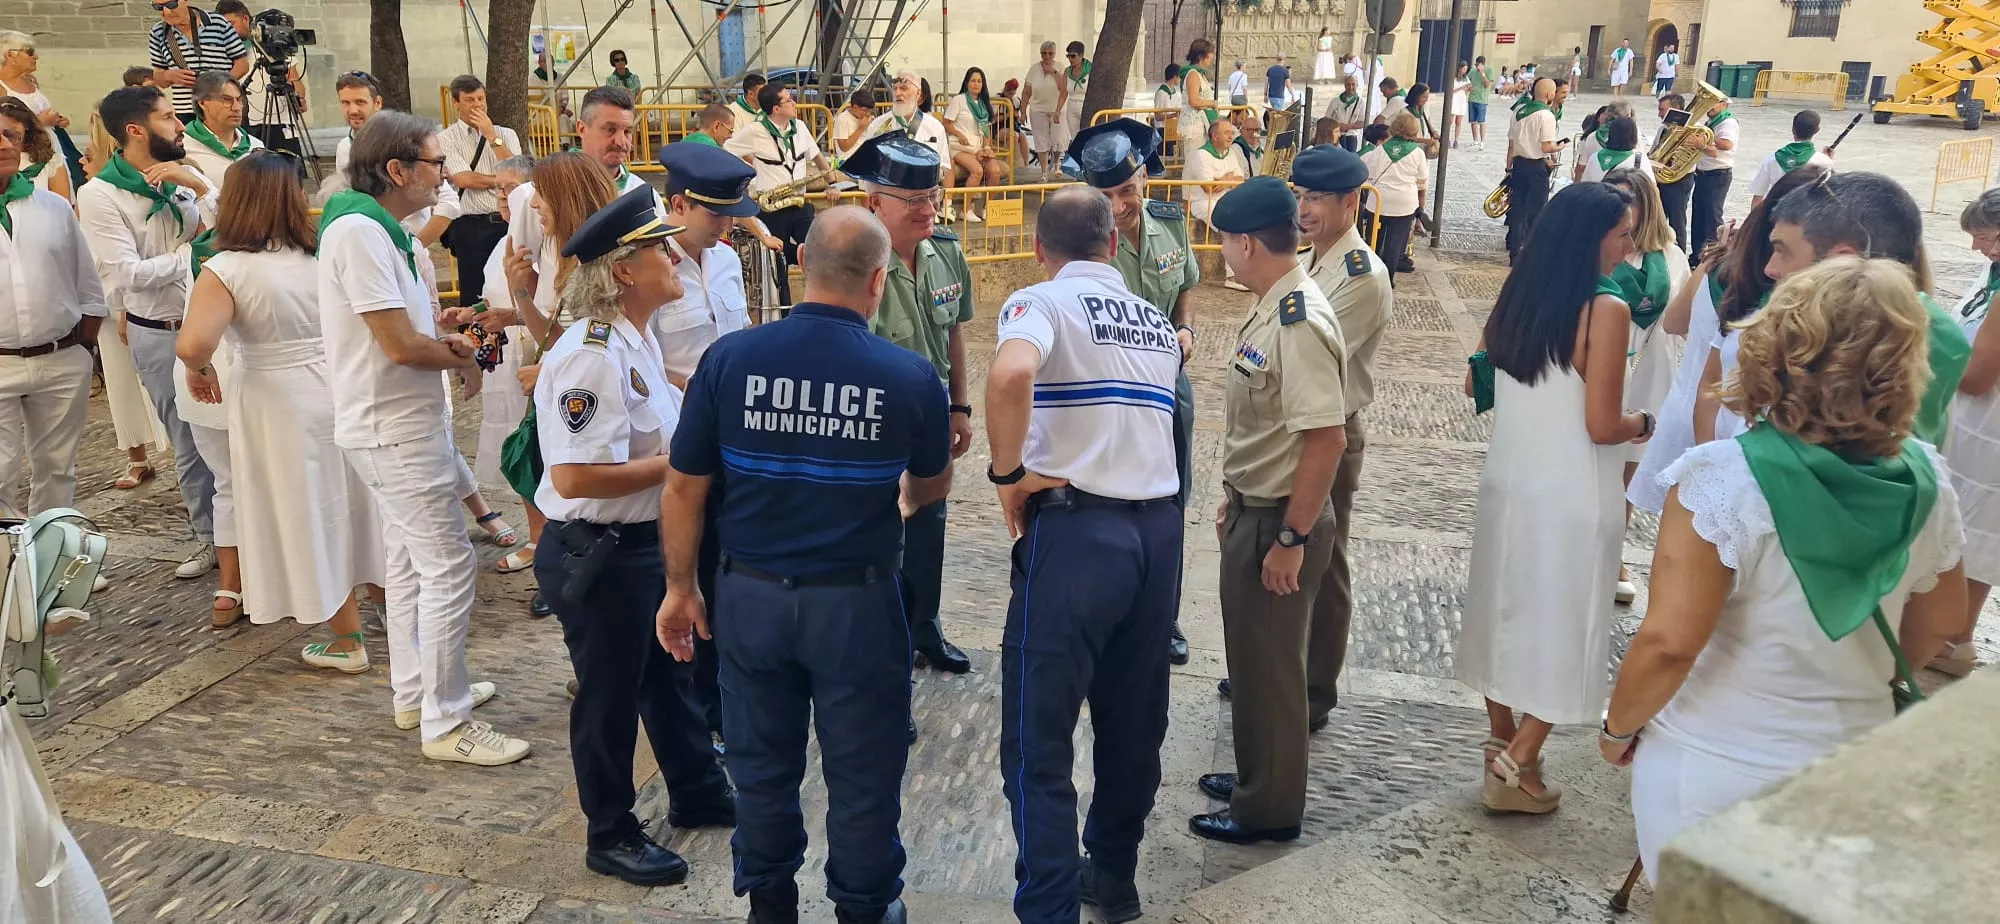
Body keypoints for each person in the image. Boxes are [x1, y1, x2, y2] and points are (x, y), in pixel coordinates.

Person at [1603, 256, 1966, 883]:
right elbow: (1943, 620)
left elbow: (1669, 643)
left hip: (1718, 757)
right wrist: (1851, 670)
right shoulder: (1925, 477)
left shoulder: (1723, 478)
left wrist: (1617, 729)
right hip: (1850, 753)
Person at [657, 205, 949, 924]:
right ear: (878, 281)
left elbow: (684, 486)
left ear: (800, 265)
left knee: (759, 765)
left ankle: (769, 901)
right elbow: (932, 483)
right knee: (864, 769)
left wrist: (679, 587)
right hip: (856, 605)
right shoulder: (909, 375)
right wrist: (901, 498)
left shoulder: (729, 360)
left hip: (750, 599)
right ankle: (863, 903)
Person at [523, 186, 736, 885]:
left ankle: (697, 790)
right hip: (599, 551)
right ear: (622, 271)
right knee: (610, 697)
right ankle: (609, 832)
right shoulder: (591, 354)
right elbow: (575, 475)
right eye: (658, 249)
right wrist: (684, 465)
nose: (674, 257)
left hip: (641, 542)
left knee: (668, 677)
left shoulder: (632, 336)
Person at [985, 185, 1183, 924]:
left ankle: (1048, 905)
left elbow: (1010, 374)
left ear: (1040, 248)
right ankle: (1115, 874)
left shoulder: (1040, 302)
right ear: (1113, 242)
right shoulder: (1154, 319)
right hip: (1157, 534)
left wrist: (1007, 473)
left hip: (1078, 534)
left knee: (1038, 732)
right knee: (1133, 721)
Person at [318, 110, 527, 764]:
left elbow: (411, 329)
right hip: (393, 429)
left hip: (402, 421)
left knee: (410, 564)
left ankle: (417, 693)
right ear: (397, 169)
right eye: (436, 163)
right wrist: (467, 352)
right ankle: (447, 721)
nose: (445, 174)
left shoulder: (388, 232)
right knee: (447, 564)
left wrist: (450, 331)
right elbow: (401, 348)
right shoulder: (358, 232)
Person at [1458, 182, 1651, 815]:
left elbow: (1475, 381)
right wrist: (1646, 421)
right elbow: (1603, 424)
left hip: (1509, 479)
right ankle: (1517, 764)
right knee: (1568, 619)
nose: (1629, 246)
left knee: (1502, 609)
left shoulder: (1519, 292)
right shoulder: (1606, 308)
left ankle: (1503, 739)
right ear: (1589, 240)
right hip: (1572, 488)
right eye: (1622, 234)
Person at [173, 149, 383, 664]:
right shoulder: (321, 255)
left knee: (307, 508)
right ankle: (393, 612)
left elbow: (194, 343)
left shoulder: (227, 268)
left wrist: (199, 369)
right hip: (336, 385)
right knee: (358, 501)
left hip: (275, 397)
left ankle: (348, 638)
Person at [1191, 176, 1349, 845]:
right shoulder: (1272, 305)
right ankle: (1257, 776)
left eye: (1226, 241)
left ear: (1248, 244)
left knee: (1275, 670)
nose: (1224, 252)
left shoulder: (1297, 321)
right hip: (1257, 510)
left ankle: (1270, 809)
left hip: (1282, 519)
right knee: (1254, 663)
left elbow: (1326, 439)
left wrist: (1291, 537)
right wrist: (1238, 501)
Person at [1696, 171, 1969, 449]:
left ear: (1841, 260)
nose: (1770, 268)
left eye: (1782, 251)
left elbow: (1865, 458)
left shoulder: (1906, 337)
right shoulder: (1836, 315)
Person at [1062, 119, 1198, 664]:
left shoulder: (1169, 221)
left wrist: (1186, 328)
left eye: (1126, 190)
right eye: (1107, 196)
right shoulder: (1083, 239)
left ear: (1144, 177)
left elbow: (1186, 283)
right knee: (1108, 500)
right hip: (1109, 391)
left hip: (1167, 385)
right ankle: (1107, 612)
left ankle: (1163, 617)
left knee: (1170, 501)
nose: (1119, 206)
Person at [843, 132, 975, 679]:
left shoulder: (945, 252)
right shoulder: (855, 263)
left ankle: (925, 626)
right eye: (914, 200)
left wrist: (960, 407)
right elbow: (849, 353)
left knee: (929, 528)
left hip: (931, 417)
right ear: (875, 202)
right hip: (878, 422)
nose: (929, 210)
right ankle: (882, 647)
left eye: (934, 196)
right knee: (879, 536)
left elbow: (955, 334)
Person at [76, 85, 220, 581]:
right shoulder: (99, 194)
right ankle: (209, 537)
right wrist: (194, 254)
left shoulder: (183, 175)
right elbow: (128, 275)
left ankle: (247, 530)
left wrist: (199, 188)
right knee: (188, 439)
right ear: (136, 130)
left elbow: (232, 229)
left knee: (233, 431)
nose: (180, 125)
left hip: (214, 325)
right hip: (159, 332)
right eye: (168, 117)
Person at [1629, 165, 1825, 525]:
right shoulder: (1792, 297)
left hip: (1690, 412)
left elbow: (1674, 323)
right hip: (1734, 434)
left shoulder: (1719, 265)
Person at [1283, 145, 1392, 730]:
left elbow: (1306, 353)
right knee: (1288, 553)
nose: (1304, 209)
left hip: (1330, 431)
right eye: (1300, 196)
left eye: (1317, 199)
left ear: (1350, 201)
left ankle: (1312, 691)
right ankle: (1279, 670)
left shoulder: (1360, 276)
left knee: (1324, 563)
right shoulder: (1311, 260)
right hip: (1296, 426)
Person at [0, 98, 105, 522]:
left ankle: (54, 551)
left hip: (60, 357)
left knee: (57, 470)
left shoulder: (53, 207)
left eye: (10, 135)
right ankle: (7, 559)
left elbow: (87, 284)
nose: (4, 144)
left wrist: (83, 349)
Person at [1601, 167, 1689, 602]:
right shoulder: (1598, 248)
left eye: (1630, 200)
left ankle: (1612, 554)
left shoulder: (1671, 257)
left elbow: (1682, 320)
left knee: (1628, 476)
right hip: (1603, 368)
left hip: (1651, 370)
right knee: (1596, 464)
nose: (1623, 208)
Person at [75, 108, 170, 490]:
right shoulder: (95, 192)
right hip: (107, 292)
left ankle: (173, 451)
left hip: (136, 297)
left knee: (157, 382)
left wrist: (126, 306)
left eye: (89, 152)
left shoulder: (130, 180)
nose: (82, 161)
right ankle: (136, 454)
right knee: (120, 380)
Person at [1940, 188, 2000, 677]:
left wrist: (1926, 357)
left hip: (1988, 426)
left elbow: (1978, 376)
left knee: (1974, 533)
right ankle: (1948, 634)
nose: (1977, 247)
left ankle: (1954, 638)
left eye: (1984, 236)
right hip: (1969, 421)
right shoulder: (1992, 273)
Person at [729, 82, 828, 308]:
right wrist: (748, 172)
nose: (794, 103)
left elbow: (816, 155)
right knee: (778, 264)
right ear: (776, 108)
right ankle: (783, 312)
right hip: (772, 209)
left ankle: (819, 305)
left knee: (816, 253)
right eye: (789, 100)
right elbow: (728, 149)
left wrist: (832, 183)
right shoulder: (755, 131)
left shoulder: (799, 127)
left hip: (799, 204)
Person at [440, 74, 520, 309]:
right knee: (474, 293)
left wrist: (492, 136)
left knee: (510, 289)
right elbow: (463, 178)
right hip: (471, 225)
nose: (477, 105)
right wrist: (502, 182)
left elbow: (517, 172)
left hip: (507, 221)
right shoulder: (446, 138)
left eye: (480, 99)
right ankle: (473, 332)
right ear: (456, 103)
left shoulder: (506, 134)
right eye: (469, 100)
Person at [215, 0, 306, 163]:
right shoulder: (225, 48)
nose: (228, 30)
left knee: (290, 170)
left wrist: (298, 98)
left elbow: (293, 78)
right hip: (247, 123)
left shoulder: (272, 41)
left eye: (231, 24)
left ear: (245, 19)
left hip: (280, 120)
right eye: (223, 26)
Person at [0, 31, 77, 198]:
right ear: (10, 55)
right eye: (29, 52)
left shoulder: (30, 81)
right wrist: (41, 121)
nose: (36, 57)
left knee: (61, 197)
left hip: (48, 146)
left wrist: (57, 120)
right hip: (22, 151)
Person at [147, 0, 248, 123]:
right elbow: (159, 78)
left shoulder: (218, 22)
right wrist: (169, 75)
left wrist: (220, 88)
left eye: (171, 4)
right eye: (159, 7)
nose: (166, 11)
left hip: (224, 106)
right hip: (185, 111)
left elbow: (242, 64)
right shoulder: (157, 32)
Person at [1358, 111, 1427, 288]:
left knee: (1375, 240)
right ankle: (1387, 280)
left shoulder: (1380, 150)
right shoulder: (1418, 153)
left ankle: (1373, 277)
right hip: (1404, 203)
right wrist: (1421, 206)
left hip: (1378, 200)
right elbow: (1422, 182)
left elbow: (1369, 174)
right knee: (1395, 244)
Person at [1186, 118, 1249, 290]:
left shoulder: (1231, 153)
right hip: (1204, 202)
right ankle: (1232, 276)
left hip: (1227, 200)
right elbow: (1208, 188)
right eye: (1227, 133)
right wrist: (1229, 179)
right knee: (1231, 227)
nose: (1231, 136)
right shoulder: (1201, 155)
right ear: (1214, 136)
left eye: (1231, 133)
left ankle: (1246, 272)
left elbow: (1241, 179)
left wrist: (1223, 181)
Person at [1503, 78, 1561, 262]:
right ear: (1549, 94)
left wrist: (1508, 167)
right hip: (1536, 167)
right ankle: (1531, 252)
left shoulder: (1519, 111)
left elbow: (1511, 144)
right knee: (1536, 210)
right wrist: (1559, 146)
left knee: (1518, 209)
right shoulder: (1546, 115)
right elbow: (1546, 147)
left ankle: (1514, 251)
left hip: (1519, 165)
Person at [182, 70, 262, 194]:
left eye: (239, 100)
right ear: (202, 102)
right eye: (226, 100)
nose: (236, 108)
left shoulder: (255, 146)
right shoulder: (183, 147)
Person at [943, 67, 1005, 220]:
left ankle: (988, 208)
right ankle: (966, 210)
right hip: (959, 147)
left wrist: (987, 148)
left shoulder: (984, 104)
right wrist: (959, 134)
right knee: (977, 170)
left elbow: (985, 131)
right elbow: (946, 122)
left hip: (977, 148)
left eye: (979, 81)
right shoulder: (959, 100)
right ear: (967, 83)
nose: (976, 84)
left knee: (995, 171)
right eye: (973, 81)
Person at [1688, 96, 1739, 268]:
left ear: (1724, 105)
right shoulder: (1711, 123)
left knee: (1712, 217)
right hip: (1703, 173)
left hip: (1718, 174)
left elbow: (1727, 144)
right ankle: (1697, 256)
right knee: (1698, 216)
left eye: (1713, 104)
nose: (1709, 107)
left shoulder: (1728, 123)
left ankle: (1714, 258)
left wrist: (1704, 140)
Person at [1748, 110, 1833, 209]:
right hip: (1806, 214)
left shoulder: (1772, 159)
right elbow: (1828, 195)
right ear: (1817, 130)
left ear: (1793, 129)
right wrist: (1829, 161)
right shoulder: (1823, 162)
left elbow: (1758, 196)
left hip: (1775, 213)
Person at [1653, 92, 1692, 251]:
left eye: (1662, 110)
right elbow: (1654, 151)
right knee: (1657, 219)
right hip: (1660, 178)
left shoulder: (1691, 130)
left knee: (1677, 220)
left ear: (1674, 110)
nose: (1659, 114)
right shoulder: (1663, 129)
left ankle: (1680, 254)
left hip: (1679, 180)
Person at [1021, 41, 1064, 180]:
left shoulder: (1060, 67)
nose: (1047, 56)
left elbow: (1063, 88)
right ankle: (1044, 172)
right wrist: (1023, 112)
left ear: (1054, 54)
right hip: (1038, 109)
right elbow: (1026, 92)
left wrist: (1053, 71)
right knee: (1041, 140)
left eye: (1050, 54)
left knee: (1058, 139)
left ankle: (1057, 165)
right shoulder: (1034, 69)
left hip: (1057, 109)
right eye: (1044, 54)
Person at [1573, 100, 1634, 183]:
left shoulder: (1592, 137)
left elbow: (1581, 167)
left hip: (1595, 184)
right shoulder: (1632, 136)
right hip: (1621, 184)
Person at [1179, 40, 1220, 158]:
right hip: (1195, 125)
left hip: (1202, 123)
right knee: (1194, 158)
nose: (1212, 56)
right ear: (1201, 56)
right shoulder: (1193, 74)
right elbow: (1194, 101)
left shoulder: (1199, 74)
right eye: (1210, 53)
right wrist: (1212, 103)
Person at [1580, 115, 1651, 183]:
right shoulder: (1639, 159)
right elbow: (1651, 186)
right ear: (1634, 136)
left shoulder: (1595, 157)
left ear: (1610, 134)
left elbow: (1585, 184)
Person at [1060, 41, 1091, 149]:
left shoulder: (1090, 69)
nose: (1070, 59)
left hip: (1085, 106)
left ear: (1081, 55)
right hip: (1072, 107)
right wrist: (1057, 111)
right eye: (1068, 56)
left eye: (1073, 56)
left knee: (1087, 137)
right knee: (1075, 138)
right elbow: (1063, 93)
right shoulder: (1067, 71)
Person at [833, 86, 876, 162]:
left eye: (870, 111)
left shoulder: (867, 118)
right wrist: (861, 128)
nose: (868, 114)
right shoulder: (842, 119)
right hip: (848, 159)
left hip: (866, 156)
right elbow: (844, 148)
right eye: (865, 110)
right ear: (855, 107)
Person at [1326, 73, 1367, 151]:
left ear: (1357, 85)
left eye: (1353, 84)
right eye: (1348, 84)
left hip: (1352, 137)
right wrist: (1337, 126)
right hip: (1336, 136)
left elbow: (1362, 123)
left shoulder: (1360, 102)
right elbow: (1326, 119)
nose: (1351, 87)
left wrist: (1347, 126)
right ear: (1344, 85)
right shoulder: (1335, 101)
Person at [1152, 64, 1183, 151]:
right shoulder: (1161, 93)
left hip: (1172, 129)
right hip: (1162, 130)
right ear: (1175, 76)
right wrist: (1173, 115)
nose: (1180, 79)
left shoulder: (1175, 93)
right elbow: (1157, 116)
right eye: (1179, 76)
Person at [1466, 55, 1494, 150]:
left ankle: (1482, 141)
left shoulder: (1489, 70)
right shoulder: (1473, 71)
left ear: (1483, 64)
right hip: (1472, 98)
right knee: (1473, 121)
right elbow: (1467, 80)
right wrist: (1468, 87)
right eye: (1476, 65)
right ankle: (1475, 140)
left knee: (1482, 121)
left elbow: (1487, 85)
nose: (1477, 67)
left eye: (1478, 65)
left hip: (1482, 99)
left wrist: (1483, 73)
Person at [1448, 63, 1471, 149]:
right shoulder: (1453, 78)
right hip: (1454, 100)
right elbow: (1451, 90)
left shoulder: (1466, 78)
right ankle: (1447, 138)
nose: (1464, 71)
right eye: (1463, 69)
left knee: (1459, 122)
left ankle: (1456, 140)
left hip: (1462, 100)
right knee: (1450, 121)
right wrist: (1462, 87)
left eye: (1466, 69)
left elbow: (1469, 88)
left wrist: (1468, 88)